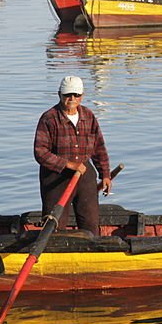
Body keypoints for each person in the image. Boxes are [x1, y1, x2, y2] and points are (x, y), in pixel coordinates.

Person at [34, 76, 111, 235]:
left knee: (90, 222)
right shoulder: (49, 118)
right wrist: (68, 165)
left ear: (82, 96)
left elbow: (99, 147)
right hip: (56, 178)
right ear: (59, 95)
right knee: (55, 226)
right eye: (67, 95)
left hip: (84, 174)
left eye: (76, 95)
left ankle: (90, 253)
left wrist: (105, 174)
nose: (72, 99)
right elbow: (40, 152)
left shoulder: (88, 116)